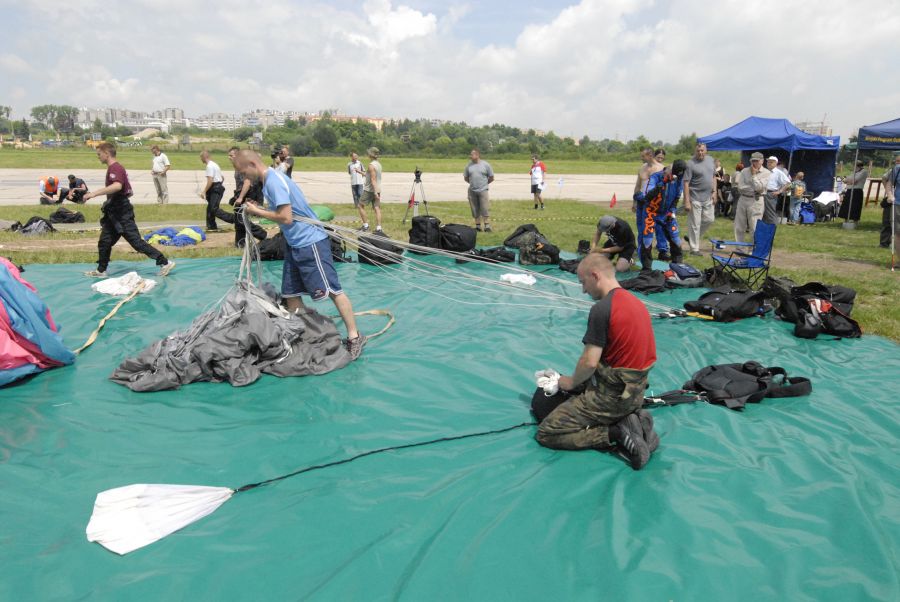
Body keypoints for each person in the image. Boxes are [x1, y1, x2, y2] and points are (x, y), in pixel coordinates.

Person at [236, 150, 366, 359]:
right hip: (295, 243)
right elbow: (285, 180)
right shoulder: (273, 175)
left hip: (310, 242)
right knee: (290, 294)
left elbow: (286, 218)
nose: (244, 177)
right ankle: (305, 335)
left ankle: (354, 336)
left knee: (333, 290)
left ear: (252, 163)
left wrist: (258, 212)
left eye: (243, 172)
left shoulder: (273, 182)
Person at [535, 253, 658, 470]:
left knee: (546, 433)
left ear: (595, 275)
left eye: (583, 282)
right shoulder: (637, 304)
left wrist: (570, 382)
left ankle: (615, 433)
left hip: (611, 398)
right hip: (635, 393)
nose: (583, 290)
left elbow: (590, 362)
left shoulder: (602, 309)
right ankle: (635, 421)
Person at [82, 142, 174, 278]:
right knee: (104, 241)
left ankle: (165, 262)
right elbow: (128, 191)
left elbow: (118, 186)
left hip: (121, 213)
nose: (98, 157)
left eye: (99, 154)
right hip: (114, 213)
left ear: (107, 154)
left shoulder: (116, 168)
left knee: (136, 243)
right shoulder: (116, 168)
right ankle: (101, 271)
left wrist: (94, 194)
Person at [633, 160, 686, 269]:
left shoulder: (678, 179)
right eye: (673, 174)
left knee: (675, 239)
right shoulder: (655, 177)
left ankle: (678, 267)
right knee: (647, 240)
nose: (675, 177)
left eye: (678, 175)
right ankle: (647, 270)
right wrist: (662, 183)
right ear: (668, 170)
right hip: (651, 211)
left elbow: (676, 198)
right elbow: (647, 196)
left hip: (666, 212)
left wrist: (672, 211)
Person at [213, 146, 268, 247]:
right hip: (240, 193)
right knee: (239, 222)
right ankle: (240, 243)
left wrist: (240, 197)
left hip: (247, 194)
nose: (229, 157)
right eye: (228, 156)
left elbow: (247, 182)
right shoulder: (237, 166)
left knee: (241, 220)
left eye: (231, 155)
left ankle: (262, 234)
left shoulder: (242, 166)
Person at [683, 142, 717, 255]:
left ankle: (691, 237)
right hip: (695, 198)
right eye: (698, 151)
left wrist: (714, 192)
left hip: (708, 197)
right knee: (695, 224)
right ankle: (694, 249)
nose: (700, 153)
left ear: (706, 150)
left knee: (709, 220)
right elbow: (686, 183)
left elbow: (713, 177)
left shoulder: (710, 160)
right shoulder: (690, 164)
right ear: (695, 151)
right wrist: (687, 201)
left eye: (702, 150)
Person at [733, 152, 770, 242]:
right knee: (739, 226)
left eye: (757, 161)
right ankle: (739, 248)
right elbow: (740, 187)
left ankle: (753, 250)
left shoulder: (766, 173)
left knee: (754, 226)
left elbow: (760, 188)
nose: (754, 163)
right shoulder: (744, 171)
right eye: (753, 161)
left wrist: (753, 176)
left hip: (756, 200)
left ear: (762, 161)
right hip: (743, 199)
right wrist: (754, 188)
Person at [464, 148, 495, 232]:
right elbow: (466, 178)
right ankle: (478, 226)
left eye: (472, 154)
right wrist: (473, 184)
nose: (470, 156)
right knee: (474, 209)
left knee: (484, 208)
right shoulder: (468, 166)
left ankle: (487, 226)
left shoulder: (486, 165)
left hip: (483, 190)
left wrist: (484, 184)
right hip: (472, 191)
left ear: (477, 155)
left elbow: (491, 177)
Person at [358, 147, 384, 234]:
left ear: (371, 155)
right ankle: (379, 228)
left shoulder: (371, 165)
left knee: (360, 205)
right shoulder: (378, 164)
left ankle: (365, 226)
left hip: (370, 190)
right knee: (377, 208)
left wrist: (375, 192)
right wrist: (360, 172)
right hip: (378, 188)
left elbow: (373, 179)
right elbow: (369, 175)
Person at [199, 150, 226, 231]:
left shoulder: (209, 166)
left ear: (204, 157)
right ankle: (211, 226)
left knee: (213, 208)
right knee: (210, 207)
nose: (201, 160)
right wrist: (219, 184)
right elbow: (222, 178)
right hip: (218, 186)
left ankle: (232, 219)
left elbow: (210, 180)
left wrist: (204, 191)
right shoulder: (215, 164)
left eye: (201, 158)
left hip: (215, 188)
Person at [632, 147, 664, 214]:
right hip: (642, 201)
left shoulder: (661, 169)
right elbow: (638, 186)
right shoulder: (642, 168)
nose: (641, 158)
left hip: (655, 204)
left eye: (643, 156)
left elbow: (664, 188)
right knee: (640, 224)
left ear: (650, 156)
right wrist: (634, 202)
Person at [763, 156, 791, 224]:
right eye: (768, 162)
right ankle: (763, 226)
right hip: (762, 192)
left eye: (771, 162)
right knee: (762, 211)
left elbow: (788, 183)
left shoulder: (778, 172)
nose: (769, 163)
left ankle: (772, 226)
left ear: (776, 163)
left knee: (770, 212)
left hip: (771, 193)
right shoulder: (764, 171)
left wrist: (779, 191)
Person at [881, 153, 900, 250]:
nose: (897, 163)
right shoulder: (896, 169)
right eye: (897, 161)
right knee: (897, 231)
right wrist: (890, 194)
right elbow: (887, 181)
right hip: (897, 203)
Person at [347, 151, 366, 223]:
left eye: (356, 156)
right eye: (354, 156)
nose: (356, 157)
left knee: (360, 194)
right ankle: (356, 206)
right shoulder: (349, 164)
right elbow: (349, 172)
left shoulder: (360, 163)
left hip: (360, 181)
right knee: (355, 195)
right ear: (351, 157)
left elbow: (363, 171)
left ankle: (361, 205)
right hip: (353, 182)